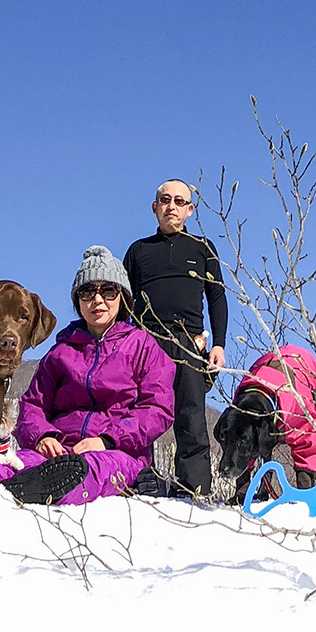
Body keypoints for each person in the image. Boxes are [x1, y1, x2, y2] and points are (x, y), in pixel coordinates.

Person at [0, 246, 175, 505]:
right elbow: (33, 405)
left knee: (91, 468)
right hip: (59, 448)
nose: (97, 300)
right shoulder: (61, 352)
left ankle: (42, 487)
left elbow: (157, 408)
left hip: (118, 453)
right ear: (78, 301)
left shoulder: (142, 346)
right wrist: (44, 436)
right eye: (87, 292)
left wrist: (107, 440)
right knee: (18, 462)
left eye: (108, 291)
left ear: (122, 298)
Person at [124, 179, 227, 498]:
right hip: (144, 342)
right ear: (155, 207)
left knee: (192, 414)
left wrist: (219, 344)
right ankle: (135, 479)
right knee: (139, 411)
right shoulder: (138, 250)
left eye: (180, 201)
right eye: (165, 200)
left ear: (190, 209)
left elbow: (217, 298)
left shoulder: (203, 248)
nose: (172, 206)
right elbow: (124, 303)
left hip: (189, 342)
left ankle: (194, 490)